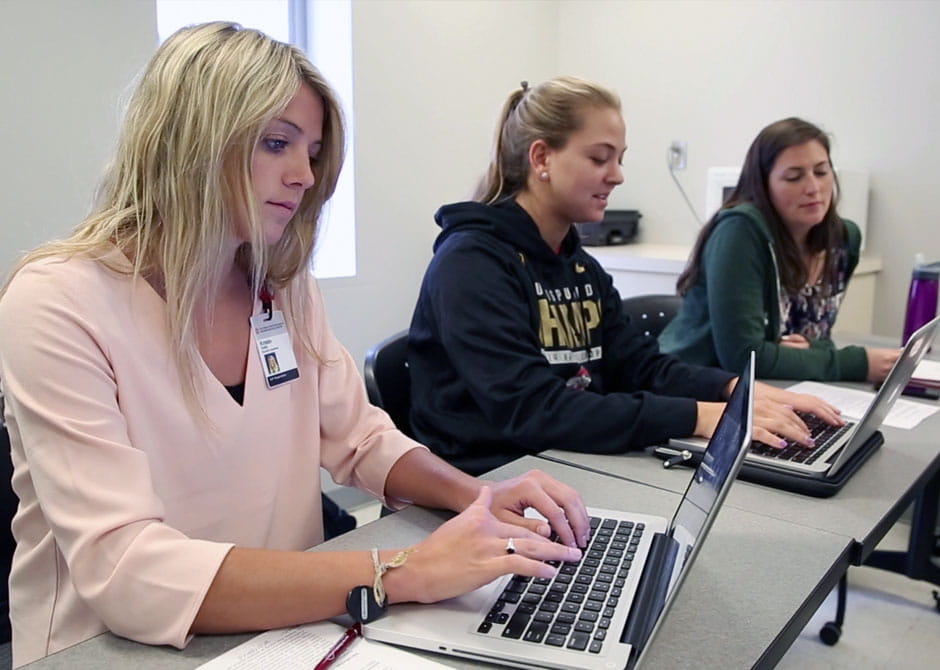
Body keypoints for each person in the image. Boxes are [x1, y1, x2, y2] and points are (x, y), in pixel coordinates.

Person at [0, 24, 590, 668]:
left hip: (284, 634)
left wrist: (474, 496)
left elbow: (361, 438)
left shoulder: (281, 286)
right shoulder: (57, 302)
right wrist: (398, 570)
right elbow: (128, 571)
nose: (305, 175)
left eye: (311, 151)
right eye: (277, 143)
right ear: (189, 141)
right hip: (107, 650)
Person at [407, 78, 842, 477]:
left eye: (619, 158)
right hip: (486, 487)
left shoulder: (581, 268)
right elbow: (535, 411)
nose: (617, 175)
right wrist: (700, 416)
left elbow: (639, 365)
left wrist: (734, 390)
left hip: (563, 466)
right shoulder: (471, 265)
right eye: (600, 158)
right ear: (541, 157)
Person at [659, 117, 900, 382]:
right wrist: (858, 363)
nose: (813, 188)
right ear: (763, 185)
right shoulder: (740, 231)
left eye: (821, 172)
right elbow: (745, 358)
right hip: (694, 390)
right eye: (794, 177)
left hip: (781, 389)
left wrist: (818, 350)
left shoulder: (843, 240)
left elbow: (812, 342)